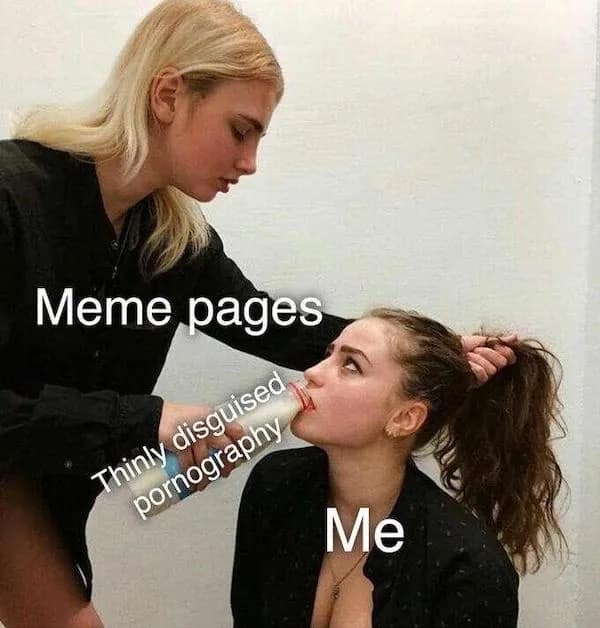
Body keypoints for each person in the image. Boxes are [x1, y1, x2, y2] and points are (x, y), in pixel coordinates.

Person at [0, 1, 515, 626]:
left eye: (258, 138)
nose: (249, 163)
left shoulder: (169, 243)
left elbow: (268, 323)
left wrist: (424, 356)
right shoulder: (13, 197)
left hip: (43, 499)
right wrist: (147, 421)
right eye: (240, 130)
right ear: (168, 95)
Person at [231, 308, 567, 627]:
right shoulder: (276, 484)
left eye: (351, 365)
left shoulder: (466, 565)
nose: (313, 373)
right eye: (328, 354)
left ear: (405, 418)